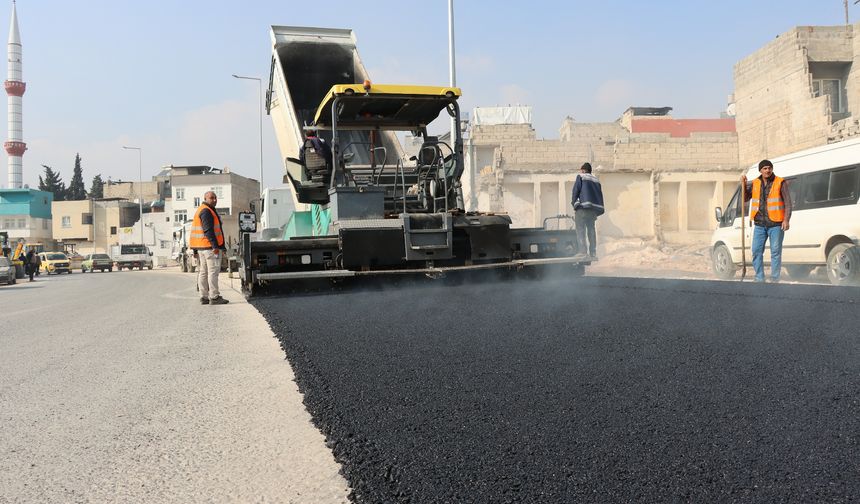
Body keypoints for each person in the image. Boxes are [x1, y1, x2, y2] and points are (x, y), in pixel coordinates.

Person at [742, 159, 792, 283]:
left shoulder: (780, 182)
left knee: (775, 252)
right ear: (760, 170)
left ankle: (774, 279)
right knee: (756, 251)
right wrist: (743, 185)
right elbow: (745, 198)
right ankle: (759, 278)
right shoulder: (755, 183)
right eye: (765, 168)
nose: (767, 170)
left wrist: (786, 219)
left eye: (769, 168)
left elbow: (788, 203)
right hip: (759, 224)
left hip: (776, 224)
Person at [190, 191, 228, 305]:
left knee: (203, 272)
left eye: (215, 198)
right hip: (209, 248)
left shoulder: (201, 209)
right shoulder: (206, 211)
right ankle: (214, 296)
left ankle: (204, 296)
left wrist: (195, 250)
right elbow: (208, 230)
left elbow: (197, 231)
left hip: (202, 247)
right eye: (212, 198)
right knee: (213, 272)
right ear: (205, 198)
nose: (214, 200)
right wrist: (215, 246)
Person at [571, 162, 605, 260]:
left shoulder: (581, 177)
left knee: (580, 230)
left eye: (581, 170)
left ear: (584, 170)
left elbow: (575, 191)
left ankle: (583, 252)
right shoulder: (596, 180)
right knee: (591, 230)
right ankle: (593, 252)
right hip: (593, 211)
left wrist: (574, 203)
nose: (580, 171)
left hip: (582, 209)